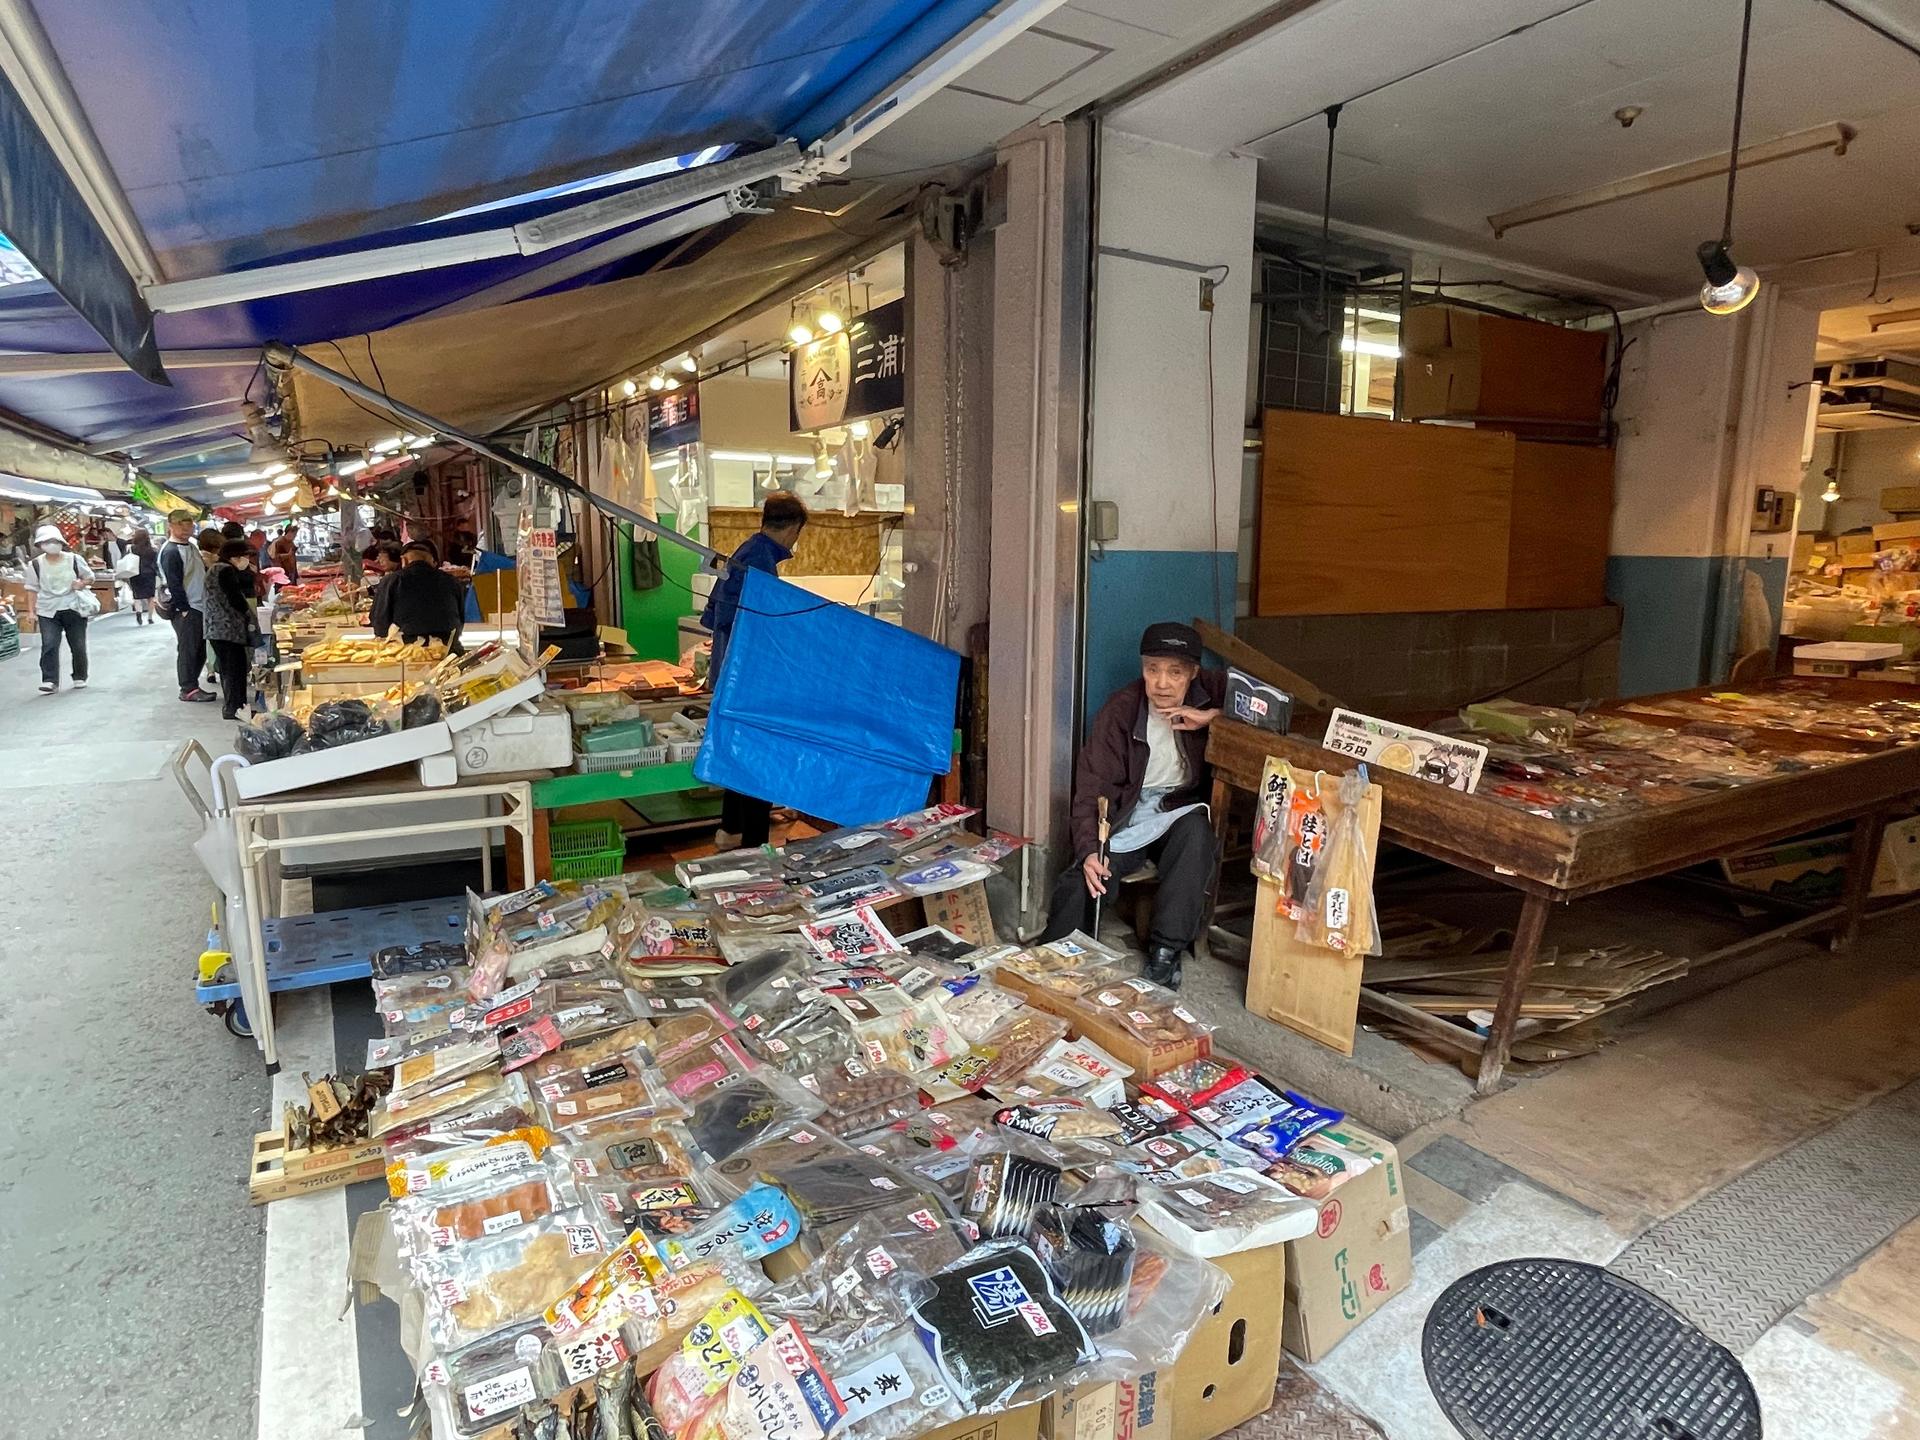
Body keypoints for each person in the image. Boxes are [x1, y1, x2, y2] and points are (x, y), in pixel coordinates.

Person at [1039, 622, 1227, 990]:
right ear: (1142, 668)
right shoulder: (1122, 710)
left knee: (1196, 836)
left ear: (1193, 673)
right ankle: (1049, 959)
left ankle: (1165, 953)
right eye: (1152, 669)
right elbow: (1092, 787)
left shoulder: (1212, 692)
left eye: (1175, 672)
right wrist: (1090, 851)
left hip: (1179, 808)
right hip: (1126, 814)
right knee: (1087, 878)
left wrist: (1213, 717)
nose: (1162, 683)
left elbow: (1270, 710)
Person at [700, 491, 809, 850]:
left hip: (730, 674)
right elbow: (761, 627)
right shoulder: (760, 562)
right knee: (757, 755)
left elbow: (714, 616)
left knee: (737, 751)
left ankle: (730, 830)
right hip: (747, 678)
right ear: (793, 527)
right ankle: (755, 845)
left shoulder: (746, 552)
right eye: (798, 533)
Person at [22, 523, 95, 693]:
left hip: (73, 607)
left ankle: (79, 676)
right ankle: (49, 680)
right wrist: (31, 611)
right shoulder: (35, 565)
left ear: (61, 542)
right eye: (46, 541)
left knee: (77, 645)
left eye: (54, 540)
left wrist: (81, 583)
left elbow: (89, 577)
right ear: (40, 545)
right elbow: (31, 589)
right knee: (49, 644)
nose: (51, 544)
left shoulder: (74, 559)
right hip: (47, 609)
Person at [159, 510, 217, 703]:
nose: (185, 530)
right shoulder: (170, 552)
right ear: (171, 526)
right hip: (188, 607)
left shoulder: (190, 546)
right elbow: (174, 583)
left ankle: (192, 684)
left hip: (200, 605)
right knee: (188, 649)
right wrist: (183, 609)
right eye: (180, 526)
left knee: (199, 648)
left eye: (189, 526)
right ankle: (188, 688)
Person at [370, 537, 464, 647]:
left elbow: (380, 623)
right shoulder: (452, 581)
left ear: (404, 560)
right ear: (432, 562)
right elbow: (460, 620)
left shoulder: (391, 581)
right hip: (448, 651)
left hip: (407, 653)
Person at [205, 539, 261, 719]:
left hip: (217, 628)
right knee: (234, 670)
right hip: (226, 629)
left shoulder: (216, 568)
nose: (246, 559)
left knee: (230, 670)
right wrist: (248, 614)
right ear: (234, 557)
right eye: (244, 556)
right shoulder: (226, 570)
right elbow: (235, 599)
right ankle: (235, 709)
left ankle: (236, 707)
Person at [124, 527, 159, 624]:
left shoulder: (131, 548)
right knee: (150, 596)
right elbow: (156, 563)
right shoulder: (153, 550)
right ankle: (150, 617)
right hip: (149, 574)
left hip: (135, 574)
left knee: (137, 596)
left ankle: (139, 613)